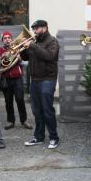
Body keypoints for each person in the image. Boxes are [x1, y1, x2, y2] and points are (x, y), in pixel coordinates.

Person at [21, 20, 60, 149]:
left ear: (45, 28)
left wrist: (32, 45)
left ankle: (54, 137)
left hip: (48, 79)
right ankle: (39, 137)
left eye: (37, 28)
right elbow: (26, 58)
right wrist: (22, 49)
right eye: (34, 29)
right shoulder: (35, 42)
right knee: (36, 110)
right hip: (35, 80)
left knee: (47, 110)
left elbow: (49, 56)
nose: (35, 31)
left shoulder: (52, 41)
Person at [0, 31, 32, 130]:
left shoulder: (17, 48)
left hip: (17, 78)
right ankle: (10, 121)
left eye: (9, 38)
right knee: (8, 101)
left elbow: (26, 63)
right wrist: (2, 57)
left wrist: (19, 59)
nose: (7, 39)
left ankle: (24, 120)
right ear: (2, 40)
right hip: (6, 79)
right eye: (5, 38)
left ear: (12, 39)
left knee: (20, 99)